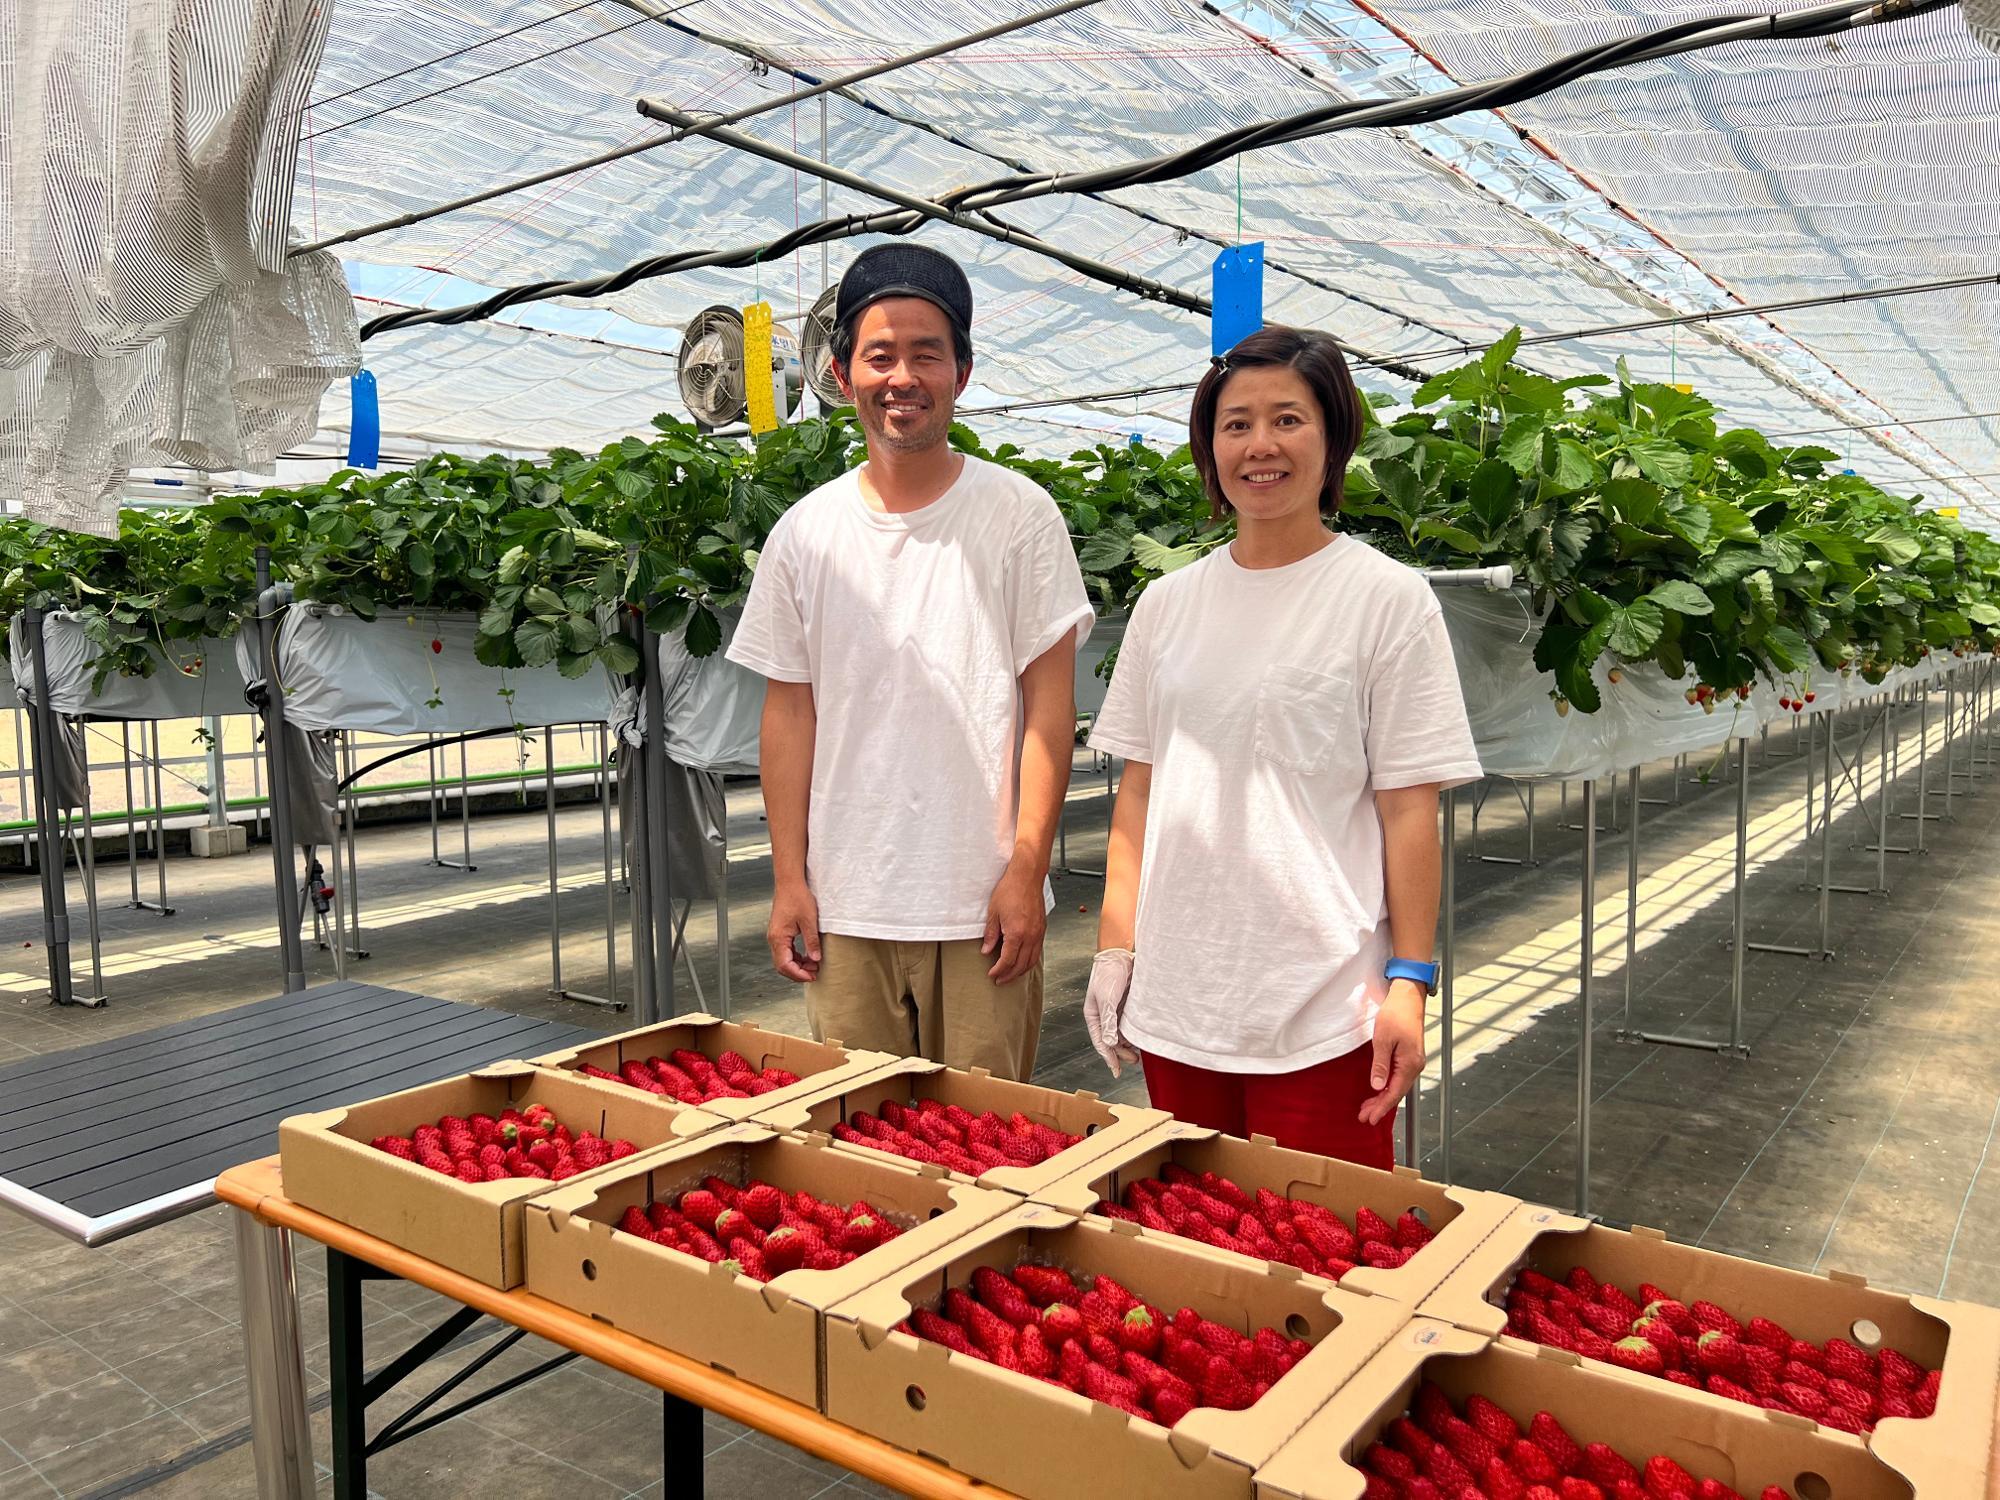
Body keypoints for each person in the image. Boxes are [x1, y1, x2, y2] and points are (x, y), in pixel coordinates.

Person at [1082, 326, 1480, 1167]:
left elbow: (1410, 808)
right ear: (1209, 448)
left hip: (1324, 1008)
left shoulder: (1387, 601)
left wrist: (1411, 982)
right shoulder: (1167, 604)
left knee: (1323, 1254)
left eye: (1288, 420)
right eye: (1236, 425)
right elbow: (1142, 791)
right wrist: (1116, 947)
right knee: (1194, 1247)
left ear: (1333, 439)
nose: (1260, 445)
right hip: (1182, 997)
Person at [726, 243, 1093, 1082]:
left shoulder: (1018, 517)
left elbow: (1049, 710)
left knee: (985, 1152)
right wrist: (790, 879)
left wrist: (1027, 869)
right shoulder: (805, 535)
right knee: (858, 1160)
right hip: (848, 908)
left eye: (928, 354)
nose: (903, 376)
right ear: (841, 372)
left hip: (982, 906)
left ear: (961, 372)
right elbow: (788, 715)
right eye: (880, 355)